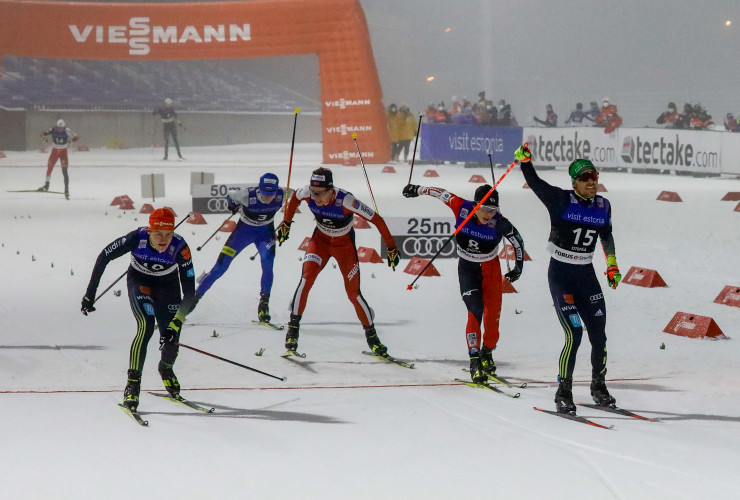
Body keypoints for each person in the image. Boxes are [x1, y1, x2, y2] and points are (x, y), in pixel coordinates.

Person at [513, 145, 621, 415]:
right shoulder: (560, 200)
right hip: (561, 276)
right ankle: (564, 391)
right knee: (574, 334)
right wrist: (525, 163)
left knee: (599, 336)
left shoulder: (603, 205)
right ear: (574, 182)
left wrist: (611, 264)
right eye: (585, 178)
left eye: (594, 176)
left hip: (586, 276)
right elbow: (536, 184)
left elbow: (606, 235)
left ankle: (599, 386)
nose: (592, 182)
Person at [402, 182, 525, 383]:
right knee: (474, 311)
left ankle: (487, 352)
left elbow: (518, 242)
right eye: (484, 209)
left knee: (493, 322)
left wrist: (518, 268)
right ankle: (474, 358)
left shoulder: (500, 222)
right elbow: (440, 192)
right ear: (475, 205)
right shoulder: (461, 207)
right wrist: (416, 189)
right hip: (468, 269)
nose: (488, 215)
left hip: (491, 270)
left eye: (493, 210)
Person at [276, 167, 401, 356]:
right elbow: (293, 200)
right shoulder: (306, 193)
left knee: (353, 294)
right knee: (305, 281)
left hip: (344, 247)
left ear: (331, 189)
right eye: (313, 192)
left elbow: (378, 220)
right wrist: (286, 222)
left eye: (320, 193)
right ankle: (292, 332)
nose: (315, 197)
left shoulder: (346, 200)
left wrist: (391, 248)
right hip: (320, 242)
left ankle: (372, 338)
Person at [80, 208, 196, 411]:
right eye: (158, 233)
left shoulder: (180, 247)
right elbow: (103, 256)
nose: (163, 239)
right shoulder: (136, 237)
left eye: (168, 234)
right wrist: (90, 293)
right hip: (139, 281)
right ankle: (133, 384)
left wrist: (175, 324)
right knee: (146, 326)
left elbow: (189, 294)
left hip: (168, 286)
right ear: (149, 231)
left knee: (172, 335)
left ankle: (166, 368)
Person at [194, 173, 284, 322]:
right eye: (265, 194)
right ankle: (194, 298)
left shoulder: (282, 193)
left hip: (265, 235)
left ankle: (263, 305)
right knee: (220, 268)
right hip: (242, 233)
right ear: (259, 189)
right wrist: (232, 204)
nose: (268, 198)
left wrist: (287, 222)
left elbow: (301, 195)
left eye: (271, 194)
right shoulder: (247, 195)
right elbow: (230, 197)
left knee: (268, 264)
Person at [38, 119, 79, 199]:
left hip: (63, 152)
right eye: (59, 128)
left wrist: (71, 141)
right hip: (55, 152)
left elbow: (76, 137)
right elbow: (42, 134)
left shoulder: (67, 130)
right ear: (57, 126)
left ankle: (66, 189)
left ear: (64, 127)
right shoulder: (52, 129)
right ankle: (46, 185)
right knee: (49, 167)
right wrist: (44, 139)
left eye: (61, 128)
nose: (60, 129)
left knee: (64, 171)